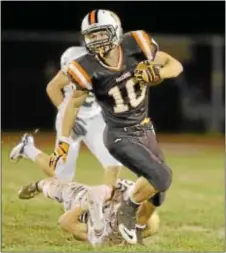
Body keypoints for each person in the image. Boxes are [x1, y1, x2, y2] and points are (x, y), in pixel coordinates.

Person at [48, 9, 183, 244]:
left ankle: (137, 231)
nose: (98, 40)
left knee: (158, 192)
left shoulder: (136, 45)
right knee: (162, 176)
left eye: (102, 33)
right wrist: (63, 140)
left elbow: (175, 65)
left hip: (144, 129)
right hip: (119, 135)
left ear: (116, 32)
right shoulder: (85, 66)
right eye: (92, 35)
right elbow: (72, 105)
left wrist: (158, 72)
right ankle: (126, 209)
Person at [10, 46, 122, 191]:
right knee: (62, 176)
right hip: (71, 118)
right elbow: (53, 87)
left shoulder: (107, 62)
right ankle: (28, 149)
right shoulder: (73, 62)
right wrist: (66, 115)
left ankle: (107, 205)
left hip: (96, 117)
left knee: (113, 162)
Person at [18, 177, 160, 247]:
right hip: (86, 196)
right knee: (51, 186)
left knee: (55, 188)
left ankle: (41, 184)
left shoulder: (106, 232)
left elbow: (65, 222)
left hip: (79, 202)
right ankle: (37, 185)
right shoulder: (132, 202)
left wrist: (86, 206)